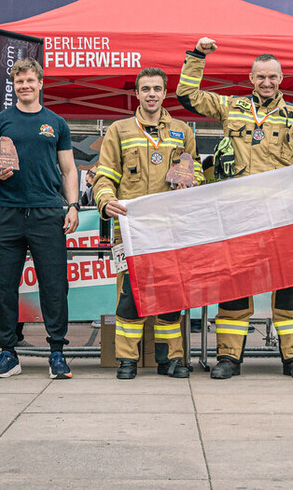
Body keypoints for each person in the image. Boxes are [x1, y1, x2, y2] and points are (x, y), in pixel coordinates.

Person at [177, 37, 293, 380]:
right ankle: (229, 358)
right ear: (251, 78)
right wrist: (197, 56)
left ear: (281, 78)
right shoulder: (232, 107)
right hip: (239, 215)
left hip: (281, 215)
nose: (267, 82)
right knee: (234, 285)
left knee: (290, 285)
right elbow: (188, 95)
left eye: (272, 76)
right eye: (261, 76)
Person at [94, 67, 202, 380]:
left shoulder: (182, 130)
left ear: (165, 93)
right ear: (137, 94)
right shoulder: (119, 130)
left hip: (171, 228)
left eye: (156, 89)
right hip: (131, 229)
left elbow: (194, 169)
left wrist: (191, 180)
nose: (151, 94)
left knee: (171, 296)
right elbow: (105, 175)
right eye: (145, 89)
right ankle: (127, 360)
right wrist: (105, 200)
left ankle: (171, 360)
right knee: (130, 296)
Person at [0, 58, 79, 380]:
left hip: (47, 212)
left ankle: (57, 352)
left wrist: (73, 205)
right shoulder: (0, 122)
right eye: (19, 81)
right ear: (14, 85)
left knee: (54, 285)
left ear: (40, 83)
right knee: (5, 286)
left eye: (30, 80)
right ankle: (8, 353)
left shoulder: (56, 123)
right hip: (7, 213)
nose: (25, 86)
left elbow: (69, 169)